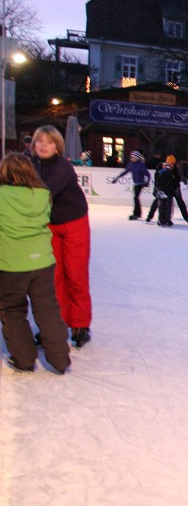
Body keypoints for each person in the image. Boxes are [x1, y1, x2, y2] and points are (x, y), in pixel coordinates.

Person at [0, 153, 71, 374]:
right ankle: (60, 360)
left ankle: (24, 359)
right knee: (48, 309)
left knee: (12, 310)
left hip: (10, 264)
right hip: (42, 262)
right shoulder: (43, 194)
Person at [30, 125, 93, 348]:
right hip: (49, 225)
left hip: (74, 222)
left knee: (75, 275)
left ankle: (80, 324)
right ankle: (55, 324)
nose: (43, 146)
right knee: (53, 276)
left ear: (57, 146)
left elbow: (45, 193)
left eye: (49, 142)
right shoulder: (30, 165)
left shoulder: (63, 166)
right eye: (39, 141)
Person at [108, 150, 150, 220]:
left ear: (137, 158)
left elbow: (148, 174)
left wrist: (147, 182)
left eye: (133, 157)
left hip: (140, 183)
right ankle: (138, 213)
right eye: (131, 157)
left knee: (136, 197)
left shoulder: (141, 165)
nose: (132, 158)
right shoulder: (131, 164)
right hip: (136, 183)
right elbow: (125, 172)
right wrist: (117, 178)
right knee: (136, 198)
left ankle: (136, 213)